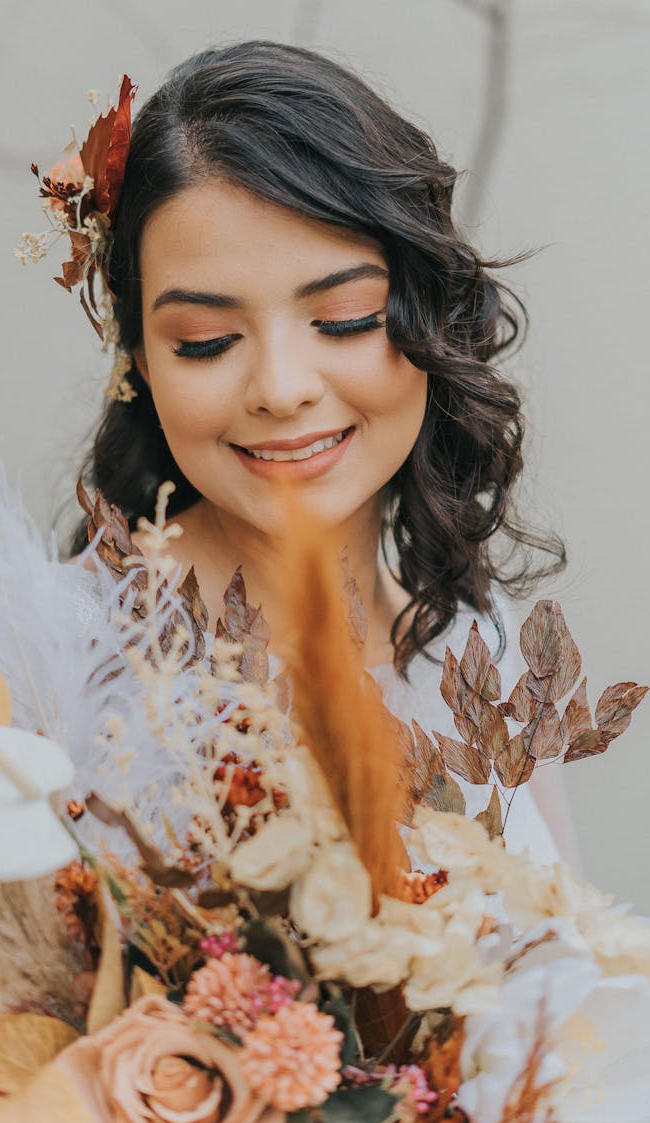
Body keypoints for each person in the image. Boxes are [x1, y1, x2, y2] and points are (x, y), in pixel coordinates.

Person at [71, 40, 577, 865]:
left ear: (430, 321)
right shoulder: (53, 660)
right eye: (205, 340)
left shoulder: (478, 642)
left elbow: (574, 966)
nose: (281, 387)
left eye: (343, 318)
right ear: (140, 360)